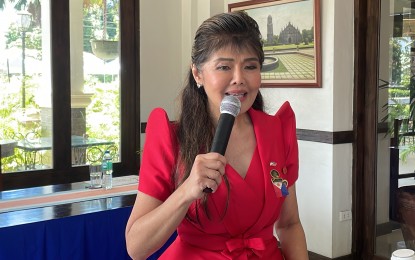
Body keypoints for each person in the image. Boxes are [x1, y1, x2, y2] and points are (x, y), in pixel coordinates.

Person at [125, 11, 308, 260]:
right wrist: (187, 190)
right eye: (224, 67)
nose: (239, 79)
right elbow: (136, 248)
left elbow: (289, 225)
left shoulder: (277, 131)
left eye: (250, 66)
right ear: (197, 74)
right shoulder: (172, 138)